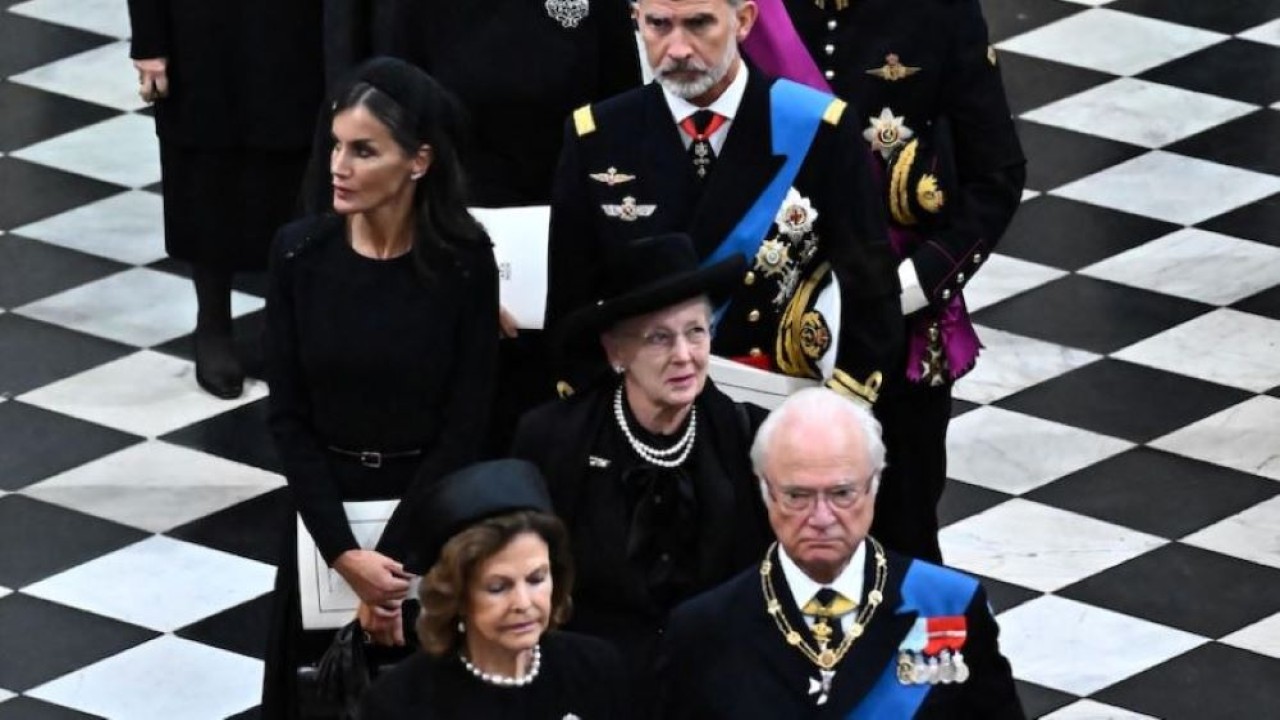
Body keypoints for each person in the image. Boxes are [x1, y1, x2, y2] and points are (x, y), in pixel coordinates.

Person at [742, 0, 1027, 562]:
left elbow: (995, 174)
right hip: (762, 314)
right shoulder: (748, 10)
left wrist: (915, 284)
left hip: (901, 329)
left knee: (901, 532)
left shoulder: (940, 15)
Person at [262, 57, 499, 718]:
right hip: (325, 519)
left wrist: (389, 568)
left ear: (417, 162)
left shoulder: (464, 265)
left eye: (363, 150)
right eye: (336, 145)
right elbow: (286, 418)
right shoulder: (296, 254)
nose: (339, 165)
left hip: (428, 518)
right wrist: (344, 553)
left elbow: (466, 423)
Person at [546, 0, 902, 409]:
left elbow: (870, 293)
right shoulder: (598, 135)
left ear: (744, 21)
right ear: (636, 21)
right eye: (658, 25)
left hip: (772, 414)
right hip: (640, 414)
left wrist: (835, 411)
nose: (677, 48)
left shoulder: (818, 129)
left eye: (699, 24)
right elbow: (571, 307)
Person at [324, 0, 643, 454]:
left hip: (570, 245)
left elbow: (621, 117)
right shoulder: (414, 12)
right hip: (449, 239)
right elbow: (394, 137)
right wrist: (446, 260)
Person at [658, 387, 1025, 718]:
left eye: (841, 494)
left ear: (874, 486)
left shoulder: (949, 607)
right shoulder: (705, 630)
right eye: (797, 496)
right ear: (766, 491)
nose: (821, 518)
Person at [512, 233, 773, 693]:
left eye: (696, 330)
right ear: (616, 352)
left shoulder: (747, 434)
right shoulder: (554, 440)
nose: (684, 355)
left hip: (715, 683)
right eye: (659, 337)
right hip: (594, 685)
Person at [126, 0, 324, 398]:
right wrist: (149, 41)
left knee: (294, 161)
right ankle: (213, 322)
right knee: (204, 169)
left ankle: (284, 325)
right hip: (199, 30)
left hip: (297, 27)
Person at [360, 459, 631, 719]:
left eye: (536, 579)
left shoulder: (594, 669)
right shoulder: (400, 701)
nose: (523, 603)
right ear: (456, 596)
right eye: (498, 587)